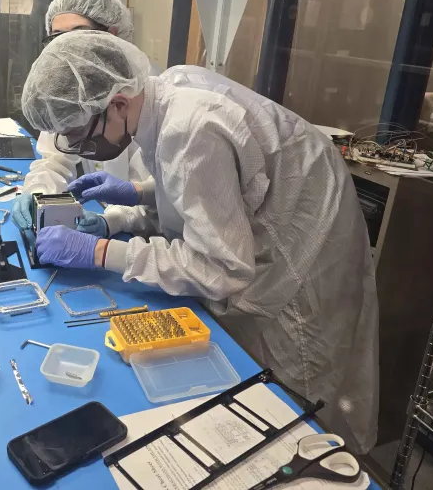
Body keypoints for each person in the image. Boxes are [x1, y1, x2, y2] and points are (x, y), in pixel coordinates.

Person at [20, 30, 379, 454]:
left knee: (297, 395)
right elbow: (214, 186)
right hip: (277, 214)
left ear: (116, 102)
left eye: (79, 135)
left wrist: (101, 252)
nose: (78, 147)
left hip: (300, 251)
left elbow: (220, 267)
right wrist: (138, 197)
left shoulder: (188, 128)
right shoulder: (162, 93)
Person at [15, 0, 156, 238]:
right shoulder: (65, 93)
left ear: (112, 34)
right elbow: (55, 161)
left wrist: (112, 222)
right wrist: (36, 194)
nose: (70, 47)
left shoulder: (144, 98)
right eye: (58, 38)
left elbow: (159, 204)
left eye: (80, 34)